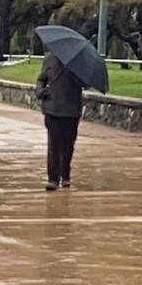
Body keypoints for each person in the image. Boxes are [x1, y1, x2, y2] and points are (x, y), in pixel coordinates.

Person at [35, 51, 84, 191]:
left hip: (71, 110)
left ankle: (65, 175)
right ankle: (53, 179)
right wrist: (40, 91)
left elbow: (85, 83)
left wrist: (75, 74)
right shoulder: (49, 59)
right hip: (52, 109)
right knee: (53, 146)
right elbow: (41, 79)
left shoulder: (78, 62)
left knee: (68, 146)